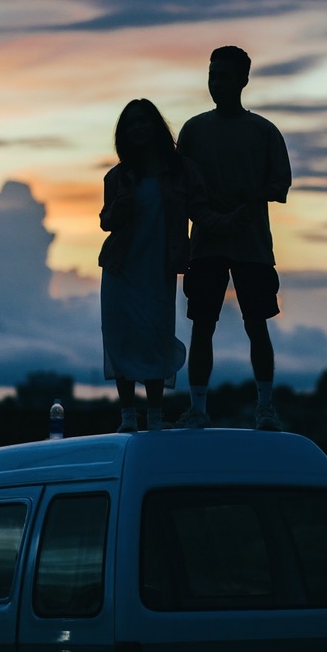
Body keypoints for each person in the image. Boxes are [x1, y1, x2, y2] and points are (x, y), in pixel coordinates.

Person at [99, 98, 237, 432]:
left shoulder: (181, 171)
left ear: (156, 126)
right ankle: (128, 416)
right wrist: (123, 198)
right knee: (121, 337)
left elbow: (200, 211)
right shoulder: (117, 176)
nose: (138, 128)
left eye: (143, 121)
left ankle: (156, 416)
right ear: (124, 133)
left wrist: (230, 221)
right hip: (120, 268)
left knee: (157, 336)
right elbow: (106, 221)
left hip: (158, 267)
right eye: (131, 123)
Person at [176, 45, 292, 430]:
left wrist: (245, 205)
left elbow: (280, 183)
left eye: (224, 76)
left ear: (243, 79)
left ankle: (265, 407)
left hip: (252, 243)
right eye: (212, 75)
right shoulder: (193, 130)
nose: (215, 83)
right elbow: (181, 188)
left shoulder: (263, 131)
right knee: (202, 324)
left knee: (256, 323)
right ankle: (197, 408)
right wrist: (205, 220)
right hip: (206, 243)